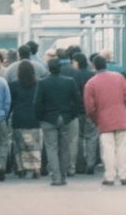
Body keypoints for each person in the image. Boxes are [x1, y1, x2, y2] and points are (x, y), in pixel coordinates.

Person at [84, 55, 126, 186]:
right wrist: (125, 111)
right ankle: (124, 175)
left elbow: (89, 107)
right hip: (121, 117)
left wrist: (96, 119)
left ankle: (110, 176)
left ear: (94, 66)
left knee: (108, 149)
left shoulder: (91, 83)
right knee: (122, 147)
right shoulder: (119, 77)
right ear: (106, 64)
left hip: (104, 120)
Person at [35, 58, 81, 186]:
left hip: (48, 118)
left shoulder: (42, 83)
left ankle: (56, 177)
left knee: (51, 147)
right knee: (65, 148)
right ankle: (64, 175)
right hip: (66, 118)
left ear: (48, 68)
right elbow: (77, 100)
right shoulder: (70, 82)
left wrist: (40, 117)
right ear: (60, 68)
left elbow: (37, 103)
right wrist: (73, 115)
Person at [9, 60, 42, 179]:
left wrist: (7, 116)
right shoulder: (38, 84)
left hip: (19, 118)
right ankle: (36, 168)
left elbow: (10, 104)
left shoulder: (13, 85)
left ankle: (21, 168)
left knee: (19, 145)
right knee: (34, 145)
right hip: (34, 118)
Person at [56, 48, 83, 176]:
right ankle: (71, 167)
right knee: (72, 140)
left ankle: (57, 167)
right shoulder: (76, 72)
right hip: (71, 112)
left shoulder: (54, 70)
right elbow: (79, 93)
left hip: (54, 113)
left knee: (56, 141)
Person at [71, 53, 98, 174]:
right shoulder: (92, 75)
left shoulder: (74, 75)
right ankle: (91, 163)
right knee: (91, 136)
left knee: (78, 137)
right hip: (90, 110)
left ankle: (79, 165)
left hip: (77, 110)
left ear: (76, 62)